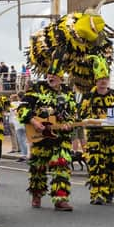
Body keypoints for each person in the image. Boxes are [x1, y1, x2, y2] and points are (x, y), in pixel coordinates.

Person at [17, 61, 76, 211]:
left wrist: (69, 122)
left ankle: (60, 199)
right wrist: (33, 120)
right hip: (40, 136)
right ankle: (37, 194)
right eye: (49, 74)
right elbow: (22, 108)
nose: (51, 77)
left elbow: (74, 113)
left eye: (55, 75)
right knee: (38, 167)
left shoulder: (68, 92)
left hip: (61, 137)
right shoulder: (36, 89)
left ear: (61, 77)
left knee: (62, 165)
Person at [78, 56, 114, 205]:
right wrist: (94, 119)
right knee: (97, 165)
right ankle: (97, 194)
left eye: (105, 78)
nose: (103, 81)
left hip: (112, 135)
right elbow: (81, 115)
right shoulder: (88, 97)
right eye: (100, 78)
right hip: (95, 137)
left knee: (111, 165)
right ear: (96, 80)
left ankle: (109, 191)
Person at [9, 92, 29, 162]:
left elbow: (9, 112)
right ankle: (25, 154)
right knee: (25, 140)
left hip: (18, 124)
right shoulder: (24, 103)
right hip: (25, 123)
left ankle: (24, 155)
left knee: (21, 140)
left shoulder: (12, 104)